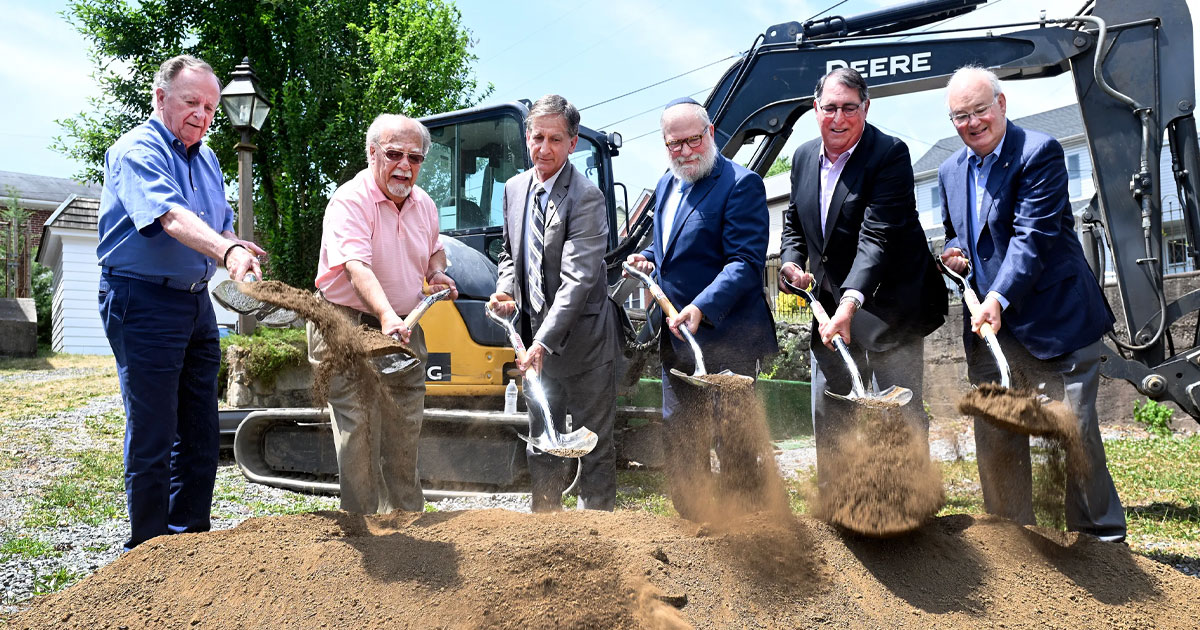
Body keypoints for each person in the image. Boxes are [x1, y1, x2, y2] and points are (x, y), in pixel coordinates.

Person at [938, 66, 1126, 541]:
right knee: (997, 435)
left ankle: (1101, 543)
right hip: (990, 332)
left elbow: (1033, 237)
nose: (973, 122)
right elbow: (958, 231)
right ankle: (1015, 542)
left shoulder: (1038, 152)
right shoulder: (948, 170)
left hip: (1052, 319)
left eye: (980, 109)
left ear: (1002, 104)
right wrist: (953, 251)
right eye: (961, 115)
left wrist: (997, 296)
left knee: (1073, 434)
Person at [97, 55, 265, 550]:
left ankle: (188, 544)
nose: (204, 115)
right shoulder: (136, 150)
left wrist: (236, 243)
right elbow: (170, 217)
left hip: (195, 305)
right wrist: (227, 249)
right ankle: (146, 552)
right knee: (154, 428)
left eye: (211, 107)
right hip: (141, 298)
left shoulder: (208, 158)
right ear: (161, 98)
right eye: (192, 102)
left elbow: (219, 223)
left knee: (199, 430)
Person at [777, 67, 947, 485]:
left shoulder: (889, 154)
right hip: (830, 310)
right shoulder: (802, 158)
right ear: (815, 109)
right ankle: (839, 505)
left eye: (849, 108)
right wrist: (790, 262)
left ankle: (907, 507)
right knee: (831, 408)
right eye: (830, 108)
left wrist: (851, 303)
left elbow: (878, 238)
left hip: (891, 307)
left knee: (898, 413)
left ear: (865, 108)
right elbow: (795, 223)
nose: (839, 119)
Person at [625, 97, 778, 520]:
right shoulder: (665, 185)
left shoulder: (741, 184)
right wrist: (650, 258)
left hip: (730, 337)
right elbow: (669, 246)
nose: (685, 151)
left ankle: (750, 534)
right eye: (674, 144)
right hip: (677, 339)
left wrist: (701, 306)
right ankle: (694, 529)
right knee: (681, 437)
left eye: (693, 139)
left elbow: (745, 262)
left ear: (710, 133)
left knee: (735, 442)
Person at [310, 113, 458, 514]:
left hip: (404, 326)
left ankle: (407, 519)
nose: (405, 166)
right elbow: (356, 267)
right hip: (344, 321)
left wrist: (437, 272)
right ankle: (364, 523)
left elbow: (433, 249)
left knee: (405, 421)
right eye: (394, 154)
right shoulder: (350, 200)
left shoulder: (424, 204)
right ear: (372, 153)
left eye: (415, 158)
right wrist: (386, 315)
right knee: (359, 425)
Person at [488, 95, 622, 513]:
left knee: (593, 445)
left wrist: (542, 343)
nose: (543, 148)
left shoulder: (586, 197)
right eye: (537, 137)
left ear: (573, 143)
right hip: (533, 345)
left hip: (583, 347)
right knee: (542, 442)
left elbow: (578, 279)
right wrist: (507, 288)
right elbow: (510, 253)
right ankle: (545, 525)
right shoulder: (513, 189)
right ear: (527, 136)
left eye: (555, 139)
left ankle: (600, 531)